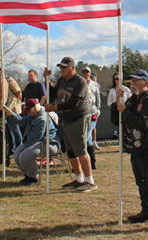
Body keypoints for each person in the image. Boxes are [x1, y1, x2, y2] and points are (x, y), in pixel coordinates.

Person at [111, 69, 148, 231]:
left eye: (137, 81)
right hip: (135, 149)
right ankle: (147, 210)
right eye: (132, 81)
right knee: (142, 182)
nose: (133, 84)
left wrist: (124, 111)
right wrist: (116, 102)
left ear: (146, 83)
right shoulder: (132, 100)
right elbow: (116, 119)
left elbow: (142, 122)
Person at [44, 56, 96, 193]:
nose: (61, 70)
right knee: (71, 151)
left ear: (72, 68)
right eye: (60, 67)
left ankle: (89, 180)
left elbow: (74, 103)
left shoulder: (80, 82)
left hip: (78, 117)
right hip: (66, 119)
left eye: (64, 67)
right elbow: (52, 94)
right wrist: (47, 80)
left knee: (80, 149)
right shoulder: (61, 81)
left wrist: (54, 108)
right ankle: (79, 178)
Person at [11, 98, 60, 186]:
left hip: (49, 144)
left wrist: (25, 146)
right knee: (17, 154)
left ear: (35, 108)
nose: (28, 113)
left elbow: (36, 138)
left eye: (29, 110)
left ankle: (34, 178)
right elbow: (21, 121)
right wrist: (9, 112)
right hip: (36, 142)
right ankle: (28, 175)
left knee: (24, 156)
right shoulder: (34, 114)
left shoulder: (42, 118)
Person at [82, 66, 100, 166]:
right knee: (87, 138)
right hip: (84, 113)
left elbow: (97, 97)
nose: (85, 73)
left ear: (90, 73)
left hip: (93, 112)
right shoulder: (80, 83)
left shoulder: (94, 85)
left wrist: (98, 109)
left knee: (87, 134)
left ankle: (88, 161)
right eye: (84, 72)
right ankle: (92, 162)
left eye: (87, 72)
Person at [108, 72, 131, 137]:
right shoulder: (112, 91)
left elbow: (131, 100)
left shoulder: (126, 89)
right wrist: (115, 105)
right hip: (116, 113)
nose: (116, 80)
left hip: (125, 112)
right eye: (115, 79)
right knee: (118, 131)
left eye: (118, 78)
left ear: (121, 79)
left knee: (126, 132)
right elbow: (109, 102)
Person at [5, 75, 23, 155]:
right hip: (6, 110)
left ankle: (20, 149)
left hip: (12, 109)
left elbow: (18, 92)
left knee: (15, 130)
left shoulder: (9, 79)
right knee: (9, 132)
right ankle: (12, 150)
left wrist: (16, 103)